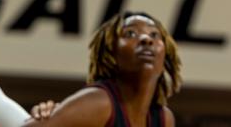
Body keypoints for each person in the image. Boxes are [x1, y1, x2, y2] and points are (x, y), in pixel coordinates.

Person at [24, 12, 180, 127]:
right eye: (130, 33)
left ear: (166, 55)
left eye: (154, 34)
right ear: (111, 54)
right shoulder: (99, 103)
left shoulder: (164, 119)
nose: (146, 39)